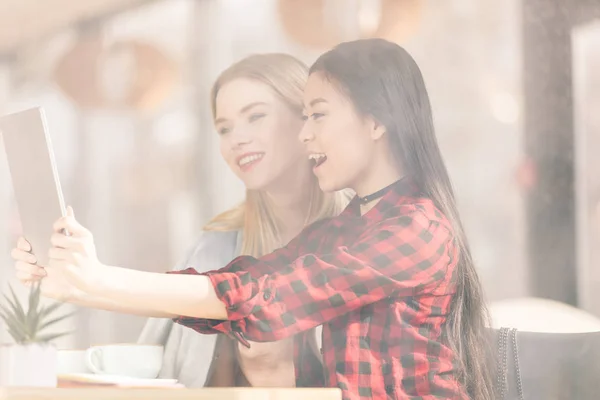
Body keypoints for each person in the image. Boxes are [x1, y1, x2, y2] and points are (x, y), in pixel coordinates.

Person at [13, 39, 494, 399]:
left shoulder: (417, 229)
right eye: (303, 117)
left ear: (376, 120)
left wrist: (95, 281)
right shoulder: (346, 228)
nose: (306, 136)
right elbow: (248, 282)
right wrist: (81, 279)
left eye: (317, 116)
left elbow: (267, 296)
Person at [12, 53, 349, 388]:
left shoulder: (361, 238)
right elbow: (157, 359)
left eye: (256, 116)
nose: (237, 139)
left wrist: (92, 279)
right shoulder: (215, 248)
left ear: (307, 121)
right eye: (224, 128)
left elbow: (253, 297)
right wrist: (69, 276)